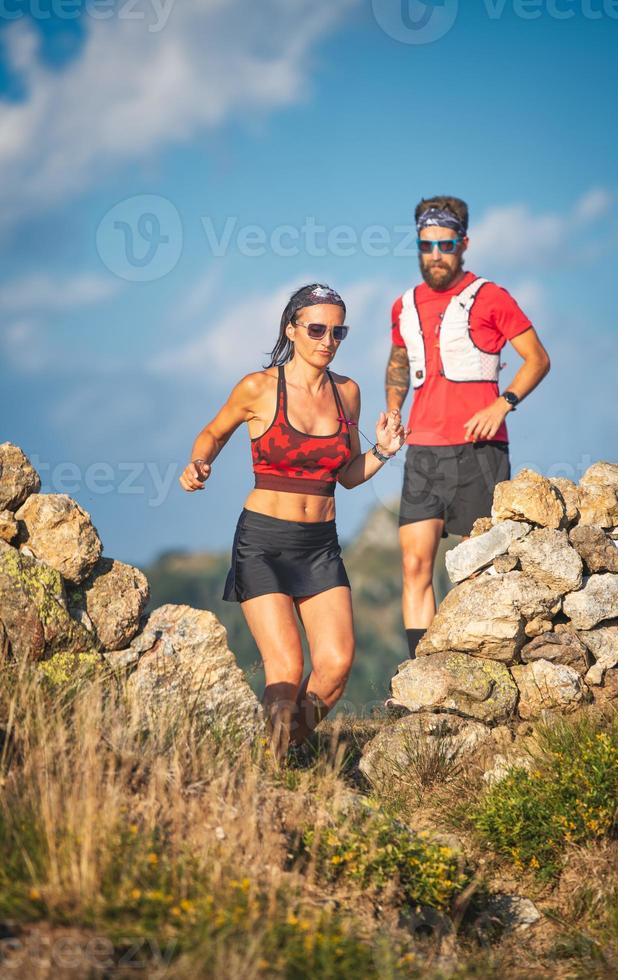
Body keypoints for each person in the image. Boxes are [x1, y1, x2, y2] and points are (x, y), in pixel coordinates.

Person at [180, 283, 406, 765]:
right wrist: (199, 463)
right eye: (317, 329)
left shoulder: (348, 393)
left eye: (338, 331)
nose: (328, 340)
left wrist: (383, 451)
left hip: (320, 546)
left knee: (336, 668)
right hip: (263, 542)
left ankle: (270, 754)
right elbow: (213, 433)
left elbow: (345, 477)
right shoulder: (258, 387)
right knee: (286, 669)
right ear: (292, 329)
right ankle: (274, 768)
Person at [385, 195, 551, 661]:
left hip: (480, 450)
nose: (435, 254)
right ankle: (419, 674)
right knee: (414, 564)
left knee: (477, 568)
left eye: (445, 243)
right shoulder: (403, 306)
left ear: (463, 243)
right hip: (423, 451)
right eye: (426, 244)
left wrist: (504, 404)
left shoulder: (492, 297)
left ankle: (477, 668)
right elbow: (398, 361)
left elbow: (537, 359)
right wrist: (394, 408)